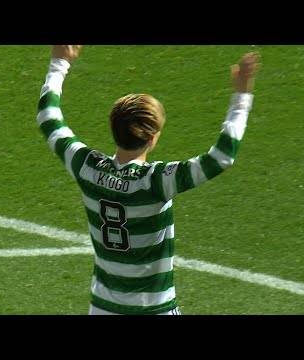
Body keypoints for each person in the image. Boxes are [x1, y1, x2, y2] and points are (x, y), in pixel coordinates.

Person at [37, 45, 260, 315]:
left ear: (112, 127)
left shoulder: (86, 167)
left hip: (103, 309)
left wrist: (59, 64)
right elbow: (222, 157)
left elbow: (48, 117)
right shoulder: (155, 182)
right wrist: (242, 96)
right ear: (153, 137)